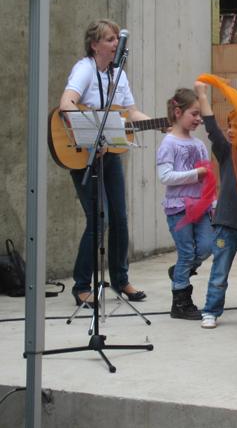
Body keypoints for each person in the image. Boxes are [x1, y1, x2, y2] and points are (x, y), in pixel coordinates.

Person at [59, 19, 150, 306]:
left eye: (116, 39)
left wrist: (162, 124)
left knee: (120, 219)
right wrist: (86, 137)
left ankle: (121, 280)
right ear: (94, 45)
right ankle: (82, 284)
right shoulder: (84, 69)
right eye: (109, 39)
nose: (115, 44)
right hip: (84, 154)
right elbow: (66, 104)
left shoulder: (118, 75)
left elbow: (131, 112)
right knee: (100, 219)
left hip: (110, 153)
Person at [194, 81, 237, 329]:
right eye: (230, 126)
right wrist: (202, 95)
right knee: (219, 273)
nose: (231, 131)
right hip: (225, 225)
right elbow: (211, 128)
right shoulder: (226, 152)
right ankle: (211, 310)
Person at [156, 88, 213, 320]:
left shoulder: (198, 144)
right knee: (187, 252)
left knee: (208, 245)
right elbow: (165, 176)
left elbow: (207, 177)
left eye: (200, 114)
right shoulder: (168, 143)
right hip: (178, 208)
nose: (199, 119)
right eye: (195, 113)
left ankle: (180, 271)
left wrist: (213, 202)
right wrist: (195, 173)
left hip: (200, 207)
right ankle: (180, 302)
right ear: (178, 112)